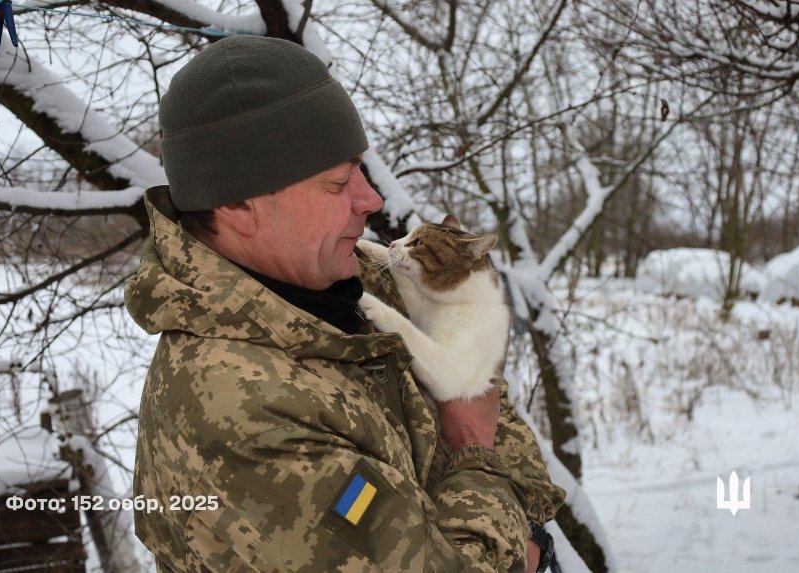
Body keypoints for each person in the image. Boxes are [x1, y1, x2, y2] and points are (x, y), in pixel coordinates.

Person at [124, 35, 566, 573]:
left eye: (360, 168)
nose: (370, 199)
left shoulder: (357, 278)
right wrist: (477, 455)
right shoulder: (243, 421)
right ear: (238, 205)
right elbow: (480, 423)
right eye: (337, 183)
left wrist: (522, 520)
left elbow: (486, 391)